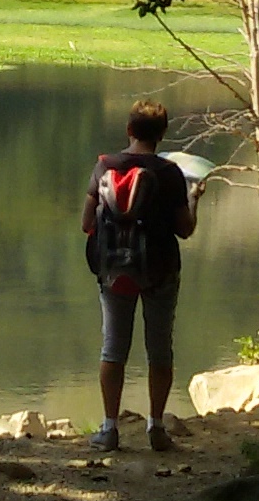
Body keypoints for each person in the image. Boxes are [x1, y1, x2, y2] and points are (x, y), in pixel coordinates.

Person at [81, 98, 202, 454]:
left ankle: (109, 429)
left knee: (113, 348)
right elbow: (185, 229)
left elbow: (87, 224)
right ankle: (157, 427)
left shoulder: (104, 166)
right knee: (159, 348)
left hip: (114, 272)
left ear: (129, 130)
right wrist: (194, 199)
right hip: (161, 270)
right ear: (162, 134)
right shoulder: (169, 173)